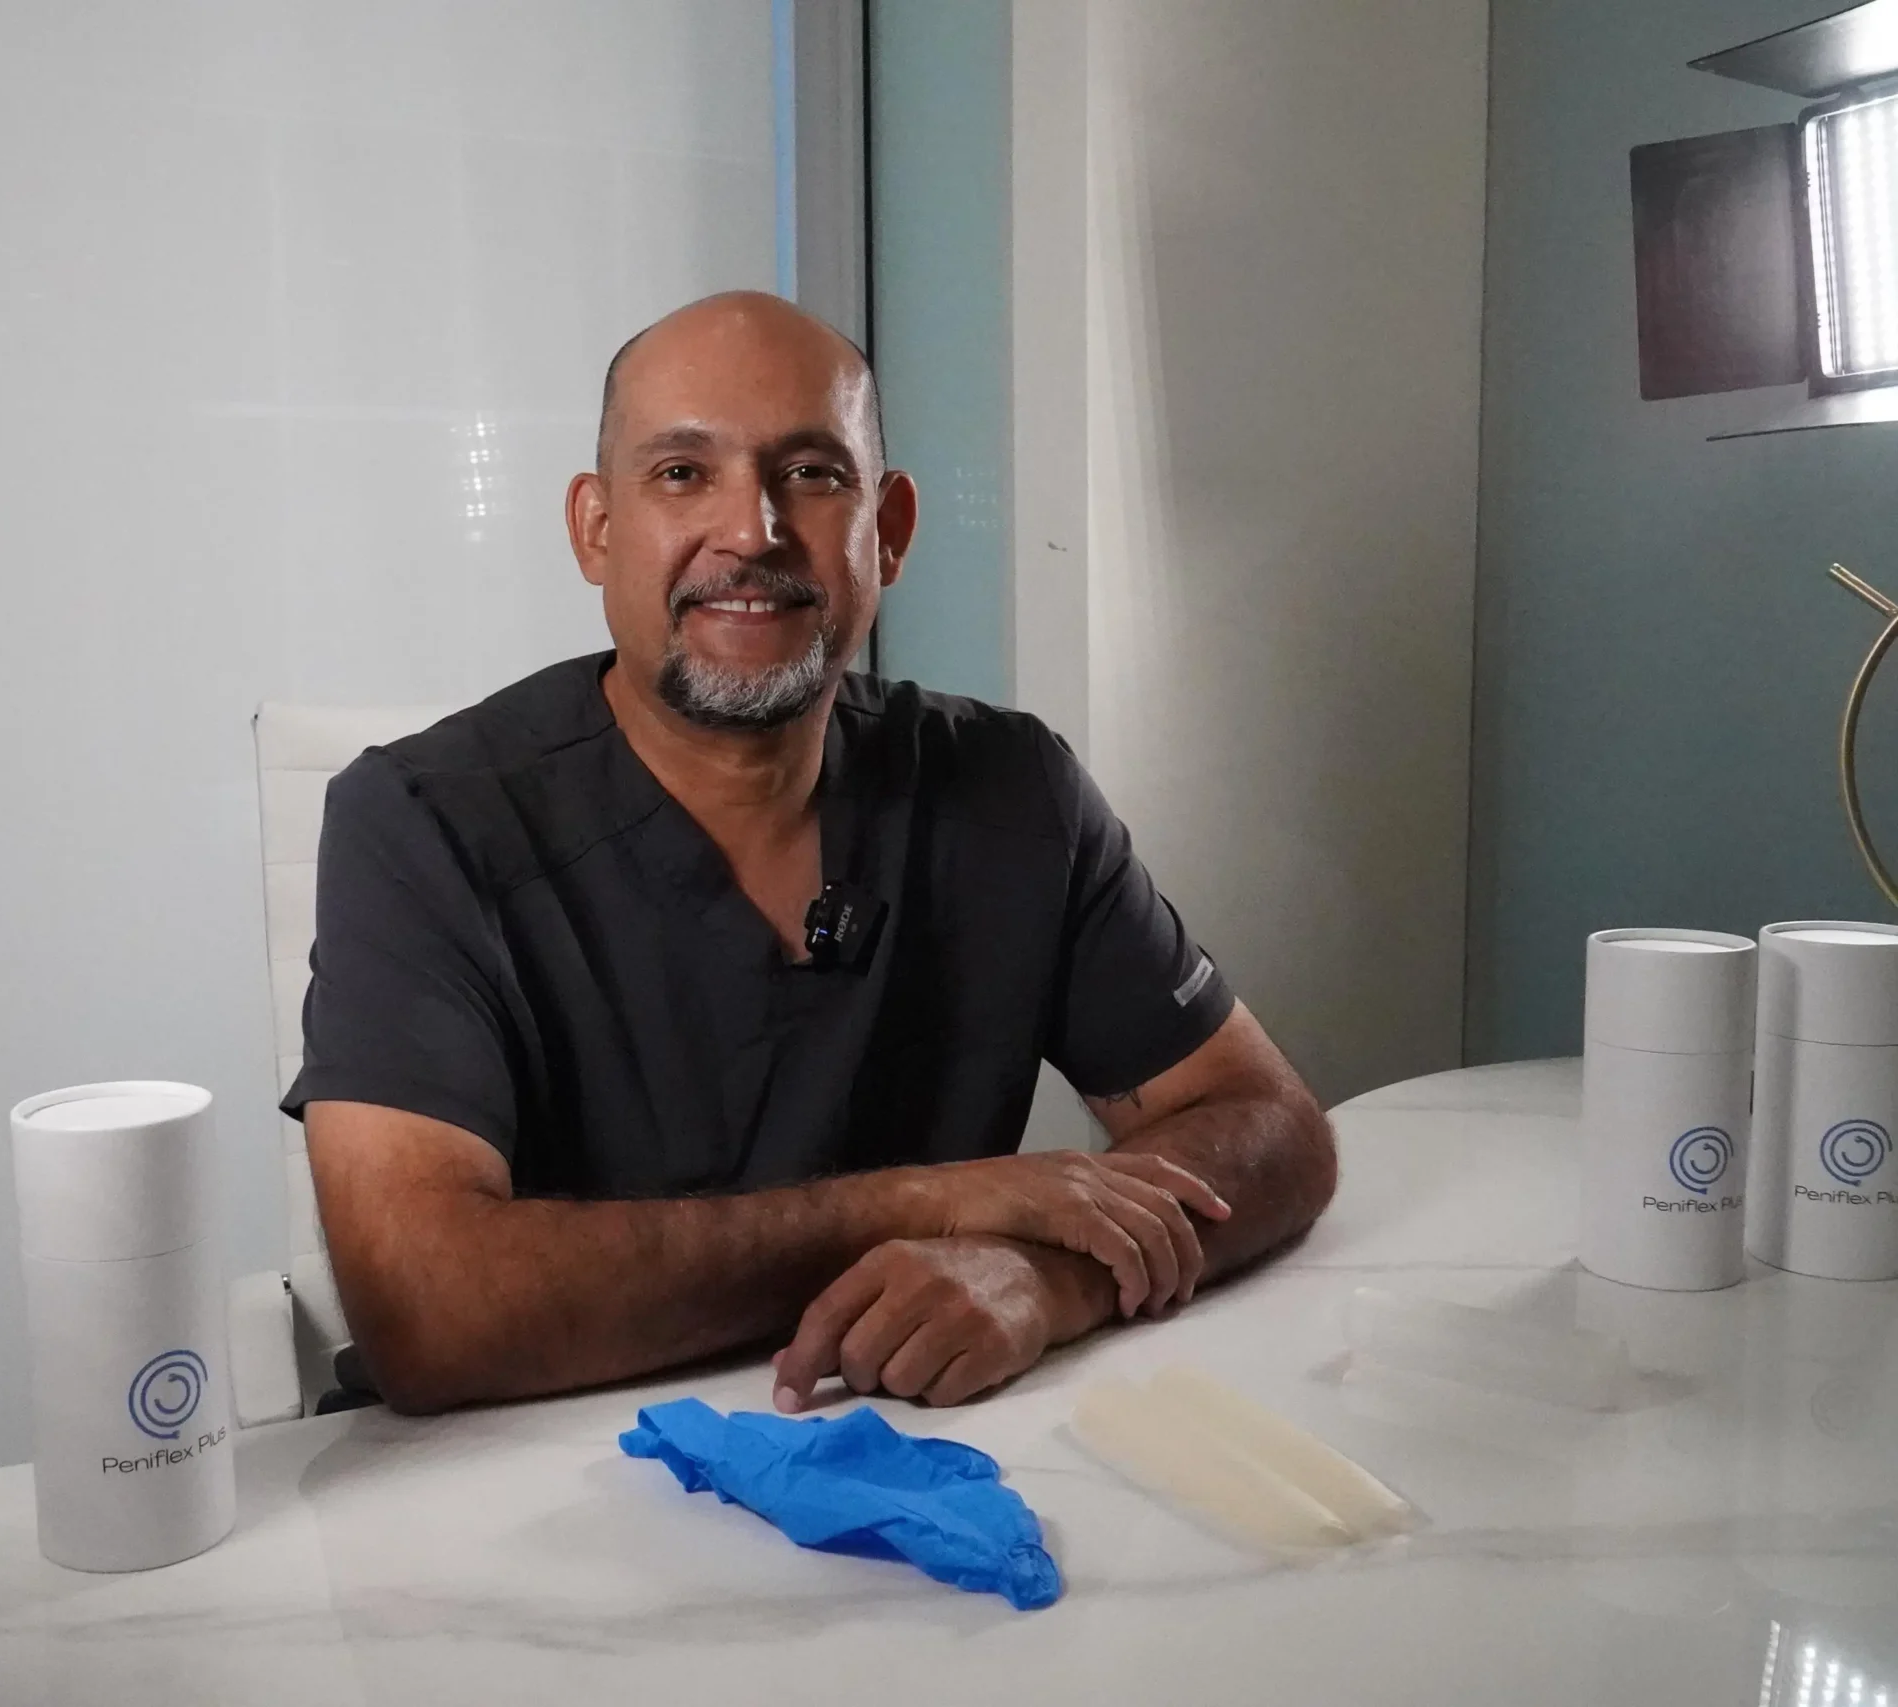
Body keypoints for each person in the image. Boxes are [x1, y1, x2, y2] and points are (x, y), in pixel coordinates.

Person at [283, 292, 1336, 1417]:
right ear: (596, 528)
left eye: (811, 474)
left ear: (890, 529)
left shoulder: (1009, 791)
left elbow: (1268, 1125)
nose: (751, 533)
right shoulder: (422, 824)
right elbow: (428, 1308)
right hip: (521, 1480)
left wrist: (1045, 1272)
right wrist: (932, 1205)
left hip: (912, 1444)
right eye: (682, 473)